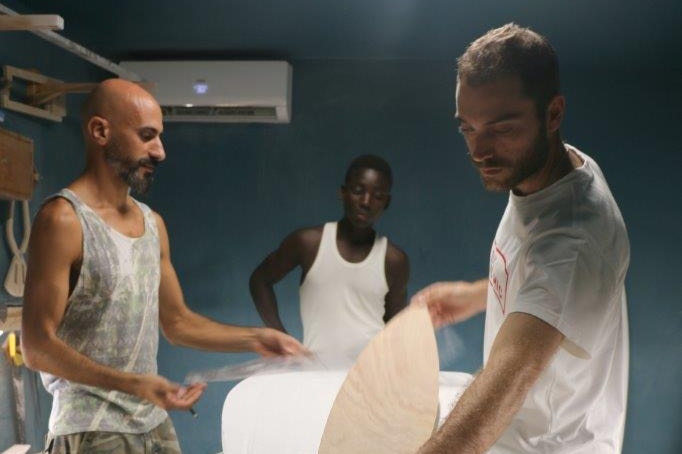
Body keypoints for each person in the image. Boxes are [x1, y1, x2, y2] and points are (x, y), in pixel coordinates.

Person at [20, 79, 305, 454]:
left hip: (153, 425)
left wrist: (256, 339)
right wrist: (134, 384)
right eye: (147, 136)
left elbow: (178, 323)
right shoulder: (63, 220)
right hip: (90, 431)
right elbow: (36, 347)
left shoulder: (152, 224)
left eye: (160, 137)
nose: (160, 152)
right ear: (100, 131)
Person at [413, 24, 629, 453]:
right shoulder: (555, 171)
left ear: (553, 114)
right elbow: (543, 284)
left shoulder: (573, 242)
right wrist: (478, 294)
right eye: (468, 129)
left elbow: (503, 389)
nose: (479, 151)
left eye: (501, 128)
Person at [249, 155, 410, 358]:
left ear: (386, 202)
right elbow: (259, 280)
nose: (366, 202)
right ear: (343, 193)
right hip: (316, 375)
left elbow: (394, 329)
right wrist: (281, 339)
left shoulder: (394, 260)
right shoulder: (308, 243)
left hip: (369, 378)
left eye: (377, 196)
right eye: (358, 191)